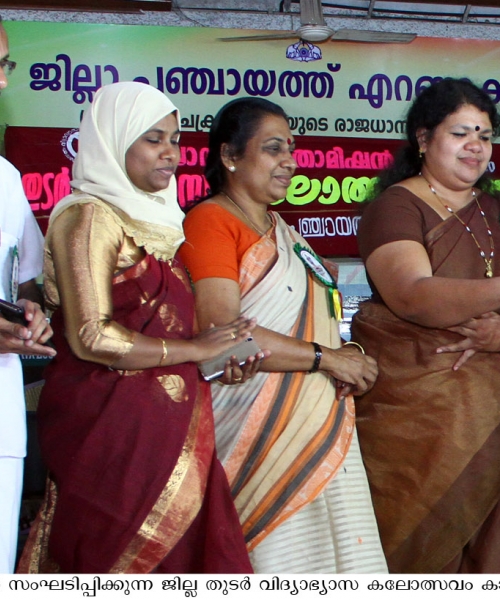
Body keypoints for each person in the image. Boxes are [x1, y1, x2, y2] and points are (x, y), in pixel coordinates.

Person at [20, 82, 259, 573]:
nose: (170, 153)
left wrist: (215, 363)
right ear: (113, 141)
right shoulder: (89, 217)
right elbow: (93, 338)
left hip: (170, 430)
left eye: (175, 139)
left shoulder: (163, 223)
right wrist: (195, 351)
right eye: (153, 139)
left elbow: (167, 331)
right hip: (109, 436)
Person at [353, 78, 500, 573]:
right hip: (415, 422)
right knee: (423, 551)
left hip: (489, 418)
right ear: (423, 138)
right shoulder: (397, 206)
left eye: (485, 134)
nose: (475, 145)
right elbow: (412, 294)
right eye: (460, 133)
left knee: (495, 552)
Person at [178, 97, 386, 573]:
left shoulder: (284, 231)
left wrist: (343, 352)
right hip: (253, 424)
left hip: (317, 418)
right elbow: (222, 335)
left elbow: (315, 315)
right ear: (230, 156)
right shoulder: (210, 221)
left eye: (291, 148)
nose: (290, 161)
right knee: (275, 562)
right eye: (273, 149)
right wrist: (327, 359)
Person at [0, 17, 55, 574]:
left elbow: (22, 286)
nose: (1, 82)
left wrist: (29, 315)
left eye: (4, 65)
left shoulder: (6, 180)